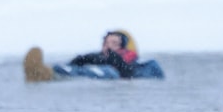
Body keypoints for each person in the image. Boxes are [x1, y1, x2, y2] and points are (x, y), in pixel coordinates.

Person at [22, 30, 166, 82]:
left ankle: (46, 74)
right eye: (106, 42)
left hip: (113, 75)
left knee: (108, 72)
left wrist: (112, 57)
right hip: (95, 72)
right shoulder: (97, 56)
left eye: (114, 43)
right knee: (75, 68)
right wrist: (83, 58)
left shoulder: (131, 60)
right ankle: (45, 71)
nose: (109, 46)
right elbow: (78, 61)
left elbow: (127, 71)